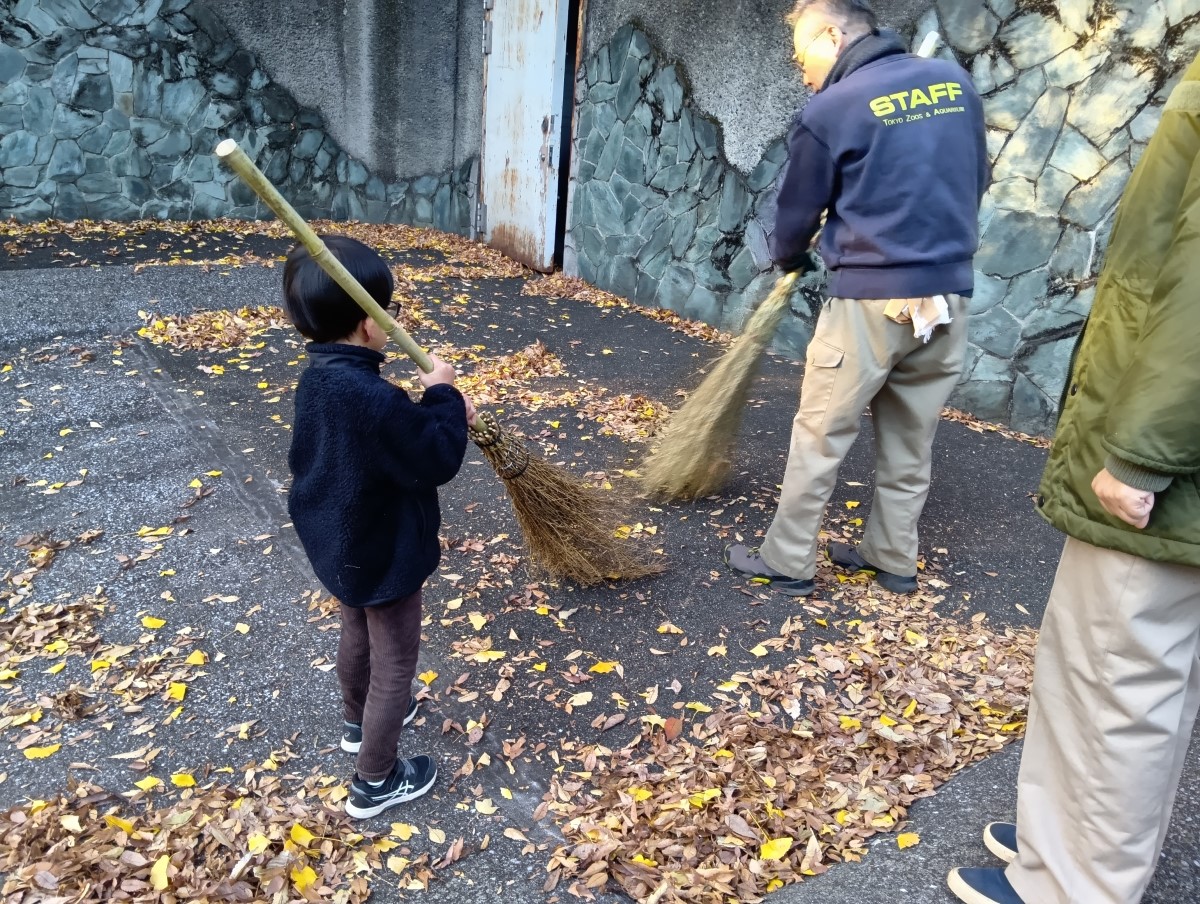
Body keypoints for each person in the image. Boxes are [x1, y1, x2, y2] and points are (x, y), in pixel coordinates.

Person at [948, 52, 1200, 904]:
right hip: (1172, 439)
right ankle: (1075, 836)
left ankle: (1074, 883)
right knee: (1122, 665)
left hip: (1170, 454)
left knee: (1116, 666)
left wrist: (1142, 453)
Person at [724, 0, 989, 597]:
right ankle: (892, 557)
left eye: (800, 57)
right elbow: (977, 177)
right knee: (910, 438)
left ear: (829, 34)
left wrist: (790, 258)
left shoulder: (833, 108)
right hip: (948, 298)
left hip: (872, 301)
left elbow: (795, 212)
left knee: (821, 434)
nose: (803, 73)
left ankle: (789, 560)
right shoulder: (955, 83)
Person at [283, 235, 476, 819]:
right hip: (384, 551)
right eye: (389, 310)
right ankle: (376, 778)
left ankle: (354, 718)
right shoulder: (374, 399)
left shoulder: (320, 379)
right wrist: (443, 396)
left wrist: (424, 411)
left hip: (340, 544)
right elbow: (433, 458)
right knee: (395, 662)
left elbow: (374, 446)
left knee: (356, 632)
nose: (395, 320)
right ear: (369, 326)